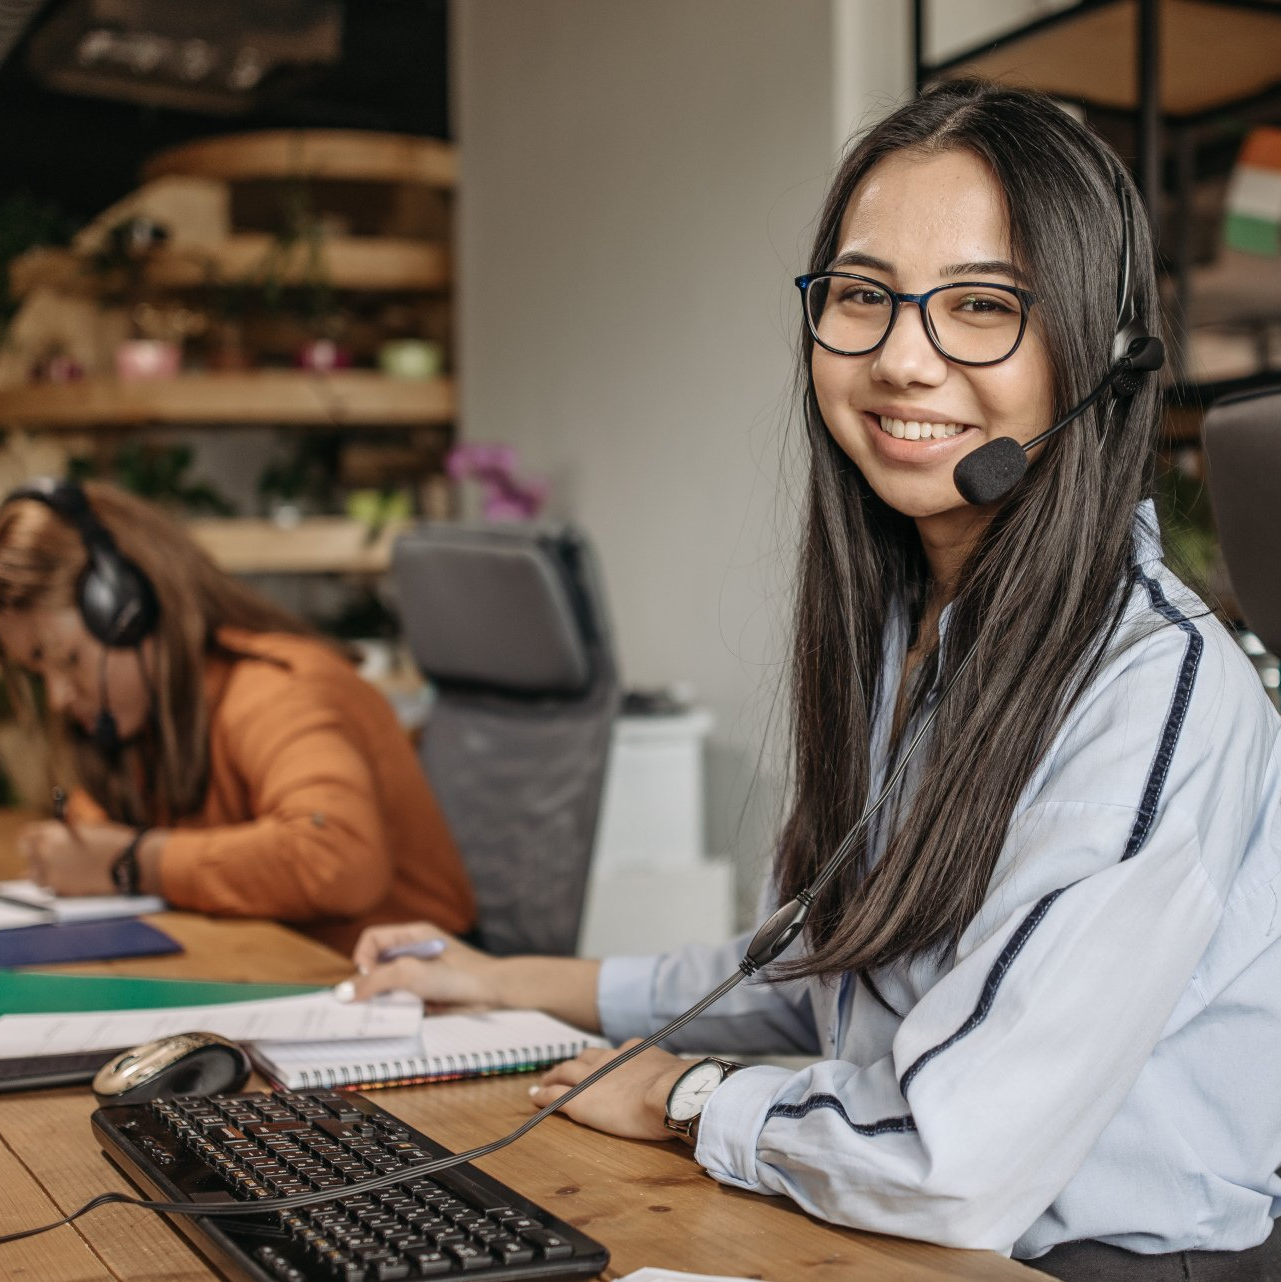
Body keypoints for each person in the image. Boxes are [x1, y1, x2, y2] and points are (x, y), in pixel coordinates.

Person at [344, 79, 1281, 1278]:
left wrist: (690, 1100)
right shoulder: (910, 628)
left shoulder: (1154, 693)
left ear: (1096, 359)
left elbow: (957, 1159)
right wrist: (511, 980)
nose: (900, 358)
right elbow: (834, 971)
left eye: (982, 306)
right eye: (861, 297)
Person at [0, 479, 476, 954]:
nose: (58, 697)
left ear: (127, 609)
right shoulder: (144, 723)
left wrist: (129, 861)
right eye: (39, 673)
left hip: (424, 992)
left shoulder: (277, 689)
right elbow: (99, 833)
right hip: (279, 969)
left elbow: (337, 858)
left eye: (67, 660)